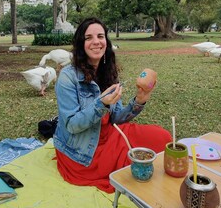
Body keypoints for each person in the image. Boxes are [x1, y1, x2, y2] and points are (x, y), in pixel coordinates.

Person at [53, 17, 172, 192]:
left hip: (109, 134)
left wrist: (139, 101)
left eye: (100, 36)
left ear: (106, 42)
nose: (96, 42)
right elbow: (71, 125)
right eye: (88, 38)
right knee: (132, 165)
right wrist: (101, 104)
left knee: (163, 137)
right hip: (83, 150)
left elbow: (116, 119)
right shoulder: (68, 77)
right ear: (80, 44)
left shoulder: (107, 71)